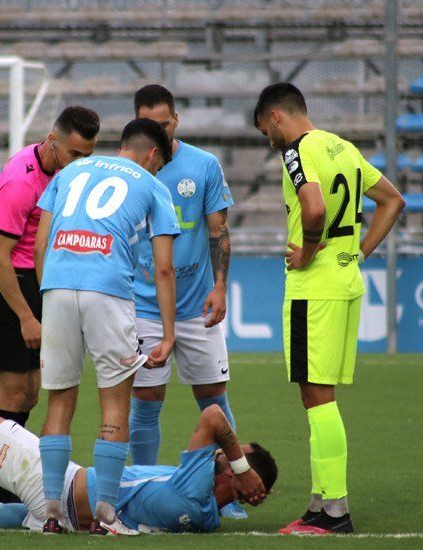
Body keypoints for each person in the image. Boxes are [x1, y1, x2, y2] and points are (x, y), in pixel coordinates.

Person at [253, 82, 405, 535]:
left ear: (277, 116)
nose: (269, 140)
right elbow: (393, 200)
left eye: (266, 131)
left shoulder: (297, 151)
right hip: (345, 281)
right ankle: (321, 502)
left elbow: (313, 210)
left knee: (318, 398)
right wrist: (358, 252)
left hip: (313, 287)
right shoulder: (343, 147)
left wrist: (309, 250)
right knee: (317, 395)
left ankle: (334, 512)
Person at [34, 118, 180, 535]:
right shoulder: (153, 186)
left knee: (59, 402)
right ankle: (106, 516)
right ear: (152, 154)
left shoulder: (71, 171)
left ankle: (50, 514)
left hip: (57, 287)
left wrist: (50, 293)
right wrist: (168, 335)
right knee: (115, 404)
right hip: (110, 291)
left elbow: (40, 243)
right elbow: (164, 268)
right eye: (158, 165)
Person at [0, 405, 274, 534]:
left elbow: (215, 417)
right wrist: (247, 481)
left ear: (236, 475)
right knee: (18, 515)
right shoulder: (206, 519)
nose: (224, 453)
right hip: (66, 519)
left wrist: (241, 465)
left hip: (59, 484)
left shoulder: (195, 487)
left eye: (235, 457)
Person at [0, 105, 99, 508]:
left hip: (32, 285)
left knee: (29, 394)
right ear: (52, 141)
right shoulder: (19, 182)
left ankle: (7, 489)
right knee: (12, 393)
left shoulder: (59, 175)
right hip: (5, 286)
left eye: (87, 156)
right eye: (75, 154)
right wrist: (27, 316)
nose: (80, 163)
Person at [127, 84, 244, 518]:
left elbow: (218, 231)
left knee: (213, 399)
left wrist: (220, 285)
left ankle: (226, 489)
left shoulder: (204, 165)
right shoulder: (132, 171)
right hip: (143, 304)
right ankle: (140, 483)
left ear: (175, 121)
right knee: (146, 401)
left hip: (197, 305)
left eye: (164, 124)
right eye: (149, 125)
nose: (157, 133)